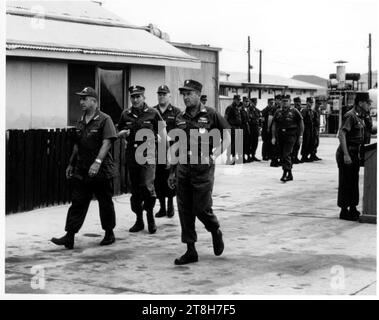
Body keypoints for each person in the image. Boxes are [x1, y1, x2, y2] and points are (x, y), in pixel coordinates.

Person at [167, 79, 231, 265]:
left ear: (198, 94)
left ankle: (214, 230)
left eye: (189, 94)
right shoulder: (180, 118)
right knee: (184, 209)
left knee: (201, 208)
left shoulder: (211, 114)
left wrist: (216, 154)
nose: (186, 97)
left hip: (203, 167)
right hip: (183, 167)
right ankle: (190, 250)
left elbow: (227, 136)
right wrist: (172, 171)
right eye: (184, 94)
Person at [51, 87, 117, 249]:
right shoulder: (80, 121)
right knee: (78, 201)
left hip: (101, 170)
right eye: (80, 99)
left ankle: (109, 233)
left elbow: (107, 142)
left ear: (94, 101)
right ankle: (70, 236)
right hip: (82, 169)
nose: (81, 102)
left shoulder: (104, 119)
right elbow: (77, 145)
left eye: (84, 99)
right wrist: (71, 164)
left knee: (105, 202)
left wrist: (97, 162)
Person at [117, 85, 167, 234]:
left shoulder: (153, 113)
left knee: (147, 186)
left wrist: (166, 156)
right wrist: (122, 134)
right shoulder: (125, 114)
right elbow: (118, 131)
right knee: (136, 189)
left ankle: (150, 217)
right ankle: (139, 220)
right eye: (133, 96)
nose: (135, 99)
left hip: (149, 155)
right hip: (132, 156)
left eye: (138, 96)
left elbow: (163, 135)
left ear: (144, 97)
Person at [336, 92, 373, 221]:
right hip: (347, 152)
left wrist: (368, 117)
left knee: (353, 182)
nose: (369, 105)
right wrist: (346, 155)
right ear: (360, 103)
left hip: (356, 152)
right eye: (368, 103)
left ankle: (352, 207)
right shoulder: (350, 116)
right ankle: (344, 210)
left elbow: (371, 130)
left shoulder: (361, 116)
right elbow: (342, 135)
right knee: (346, 182)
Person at [153, 85, 181, 218]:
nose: (161, 96)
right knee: (158, 180)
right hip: (156, 150)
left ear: (169, 96)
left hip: (172, 149)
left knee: (170, 178)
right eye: (159, 94)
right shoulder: (152, 111)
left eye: (164, 94)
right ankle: (162, 207)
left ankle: (170, 206)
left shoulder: (176, 112)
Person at [271, 95, 304, 182]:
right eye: (283, 101)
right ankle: (289, 173)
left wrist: (300, 136)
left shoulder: (294, 111)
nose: (284, 103)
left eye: (286, 101)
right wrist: (273, 137)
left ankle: (285, 173)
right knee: (282, 155)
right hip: (281, 135)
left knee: (286, 154)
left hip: (291, 135)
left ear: (290, 102)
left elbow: (301, 123)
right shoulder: (278, 112)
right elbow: (274, 124)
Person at [224, 95, 242, 164]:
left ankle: (234, 158)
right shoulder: (230, 108)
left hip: (237, 128)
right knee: (230, 144)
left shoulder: (237, 108)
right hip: (231, 128)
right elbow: (225, 118)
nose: (238, 101)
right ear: (234, 99)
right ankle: (228, 159)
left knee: (236, 144)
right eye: (237, 100)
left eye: (239, 100)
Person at [247, 97, 262, 161]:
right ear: (251, 102)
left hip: (256, 128)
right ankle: (248, 156)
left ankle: (253, 155)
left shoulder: (257, 110)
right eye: (254, 102)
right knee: (249, 142)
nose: (255, 104)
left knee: (255, 143)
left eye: (256, 103)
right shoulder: (248, 110)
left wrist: (260, 127)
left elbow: (260, 119)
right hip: (250, 128)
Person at [269, 94, 282, 167]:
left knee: (279, 145)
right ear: (276, 100)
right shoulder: (273, 108)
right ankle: (273, 161)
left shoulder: (281, 108)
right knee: (274, 145)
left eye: (280, 100)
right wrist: (269, 128)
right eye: (278, 99)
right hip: (274, 128)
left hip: (280, 129)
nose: (279, 101)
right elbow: (270, 119)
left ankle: (278, 159)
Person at [300, 97, 314, 162]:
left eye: (312, 103)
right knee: (305, 142)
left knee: (310, 142)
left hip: (310, 128)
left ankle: (307, 155)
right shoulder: (304, 110)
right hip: (306, 128)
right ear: (307, 102)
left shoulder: (311, 111)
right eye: (310, 102)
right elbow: (302, 120)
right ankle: (304, 156)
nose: (311, 104)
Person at [291, 97, 302, 164]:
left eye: (299, 102)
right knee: (293, 144)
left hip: (299, 129)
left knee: (298, 144)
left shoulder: (301, 110)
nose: (298, 103)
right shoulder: (292, 110)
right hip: (294, 129)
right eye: (296, 102)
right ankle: (292, 157)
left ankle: (296, 157)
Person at [241, 97, 251, 163]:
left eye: (248, 102)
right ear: (243, 102)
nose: (247, 103)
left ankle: (247, 156)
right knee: (242, 142)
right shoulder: (240, 109)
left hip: (247, 127)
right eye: (245, 101)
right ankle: (242, 157)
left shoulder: (248, 109)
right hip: (242, 127)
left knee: (247, 142)